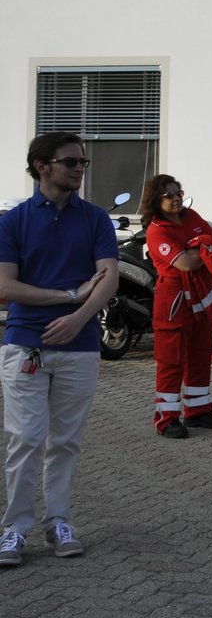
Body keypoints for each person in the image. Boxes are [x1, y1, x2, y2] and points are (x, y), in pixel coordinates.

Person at [0, 132, 118, 566]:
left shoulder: (95, 218)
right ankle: (14, 530)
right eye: (70, 162)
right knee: (25, 439)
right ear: (41, 166)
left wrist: (77, 320)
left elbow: (109, 277)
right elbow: (4, 287)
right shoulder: (12, 222)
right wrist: (68, 298)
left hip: (81, 345)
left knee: (65, 441)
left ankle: (59, 521)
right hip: (24, 345)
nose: (79, 169)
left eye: (83, 163)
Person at [142, 174, 212, 437]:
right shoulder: (157, 230)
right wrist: (203, 247)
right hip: (174, 297)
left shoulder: (191, 216)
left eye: (178, 192)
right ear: (156, 200)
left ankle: (198, 411)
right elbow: (187, 263)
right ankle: (166, 418)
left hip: (198, 294)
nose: (176, 198)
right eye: (168, 194)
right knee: (171, 361)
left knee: (201, 354)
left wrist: (200, 246)